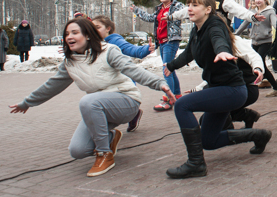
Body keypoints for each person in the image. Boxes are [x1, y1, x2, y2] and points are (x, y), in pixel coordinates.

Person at [9, 18, 175, 177]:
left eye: (75, 33)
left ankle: (104, 154)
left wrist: (159, 84)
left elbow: (133, 70)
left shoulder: (108, 51)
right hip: (98, 107)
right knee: (78, 150)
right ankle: (110, 138)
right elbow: (51, 85)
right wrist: (27, 103)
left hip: (126, 101)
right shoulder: (70, 62)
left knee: (88, 101)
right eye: (67, 34)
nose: (69, 37)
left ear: (87, 35)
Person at [163, 0, 272, 179]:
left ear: (208, 9)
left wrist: (222, 51)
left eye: (195, 5)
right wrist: (171, 66)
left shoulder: (214, 25)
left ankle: (196, 164)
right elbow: (188, 53)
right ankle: (258, 135)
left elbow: (219, 39)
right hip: (219, 89)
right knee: (208, 141)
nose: (190, 8)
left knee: (182, 105)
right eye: (189, 5)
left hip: (232, 90)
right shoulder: (197, 30)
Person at [91, 16, 155, 132]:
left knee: (107, 106)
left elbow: (131, 49)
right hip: (107, 82)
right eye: (92, 28)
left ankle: (132, 114)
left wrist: (146, 49)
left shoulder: (115, 41)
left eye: (98, 27)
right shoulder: (94, 43)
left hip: (122, 83)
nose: (94, 30)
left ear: (108, 28)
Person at [131, 0, 185, 111]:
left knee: (166, 69)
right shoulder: (160, 8)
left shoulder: (177, 6)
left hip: (170, 41)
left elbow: (183, 13)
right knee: (170, 69)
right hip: (162, 42)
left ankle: (169, 99)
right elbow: (150, 18)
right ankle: (177, 95)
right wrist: (137, 11)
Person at [237, 0, 277, 97]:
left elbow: (275, 23)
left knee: (259, 62)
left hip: (265, 41)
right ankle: (258, 83)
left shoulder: (270, 11)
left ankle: (276, 88)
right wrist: (234, 34)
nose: (258, 1)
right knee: (255, 63)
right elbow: (245, 23)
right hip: (254, 41)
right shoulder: (252, 12)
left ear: (265, 0)